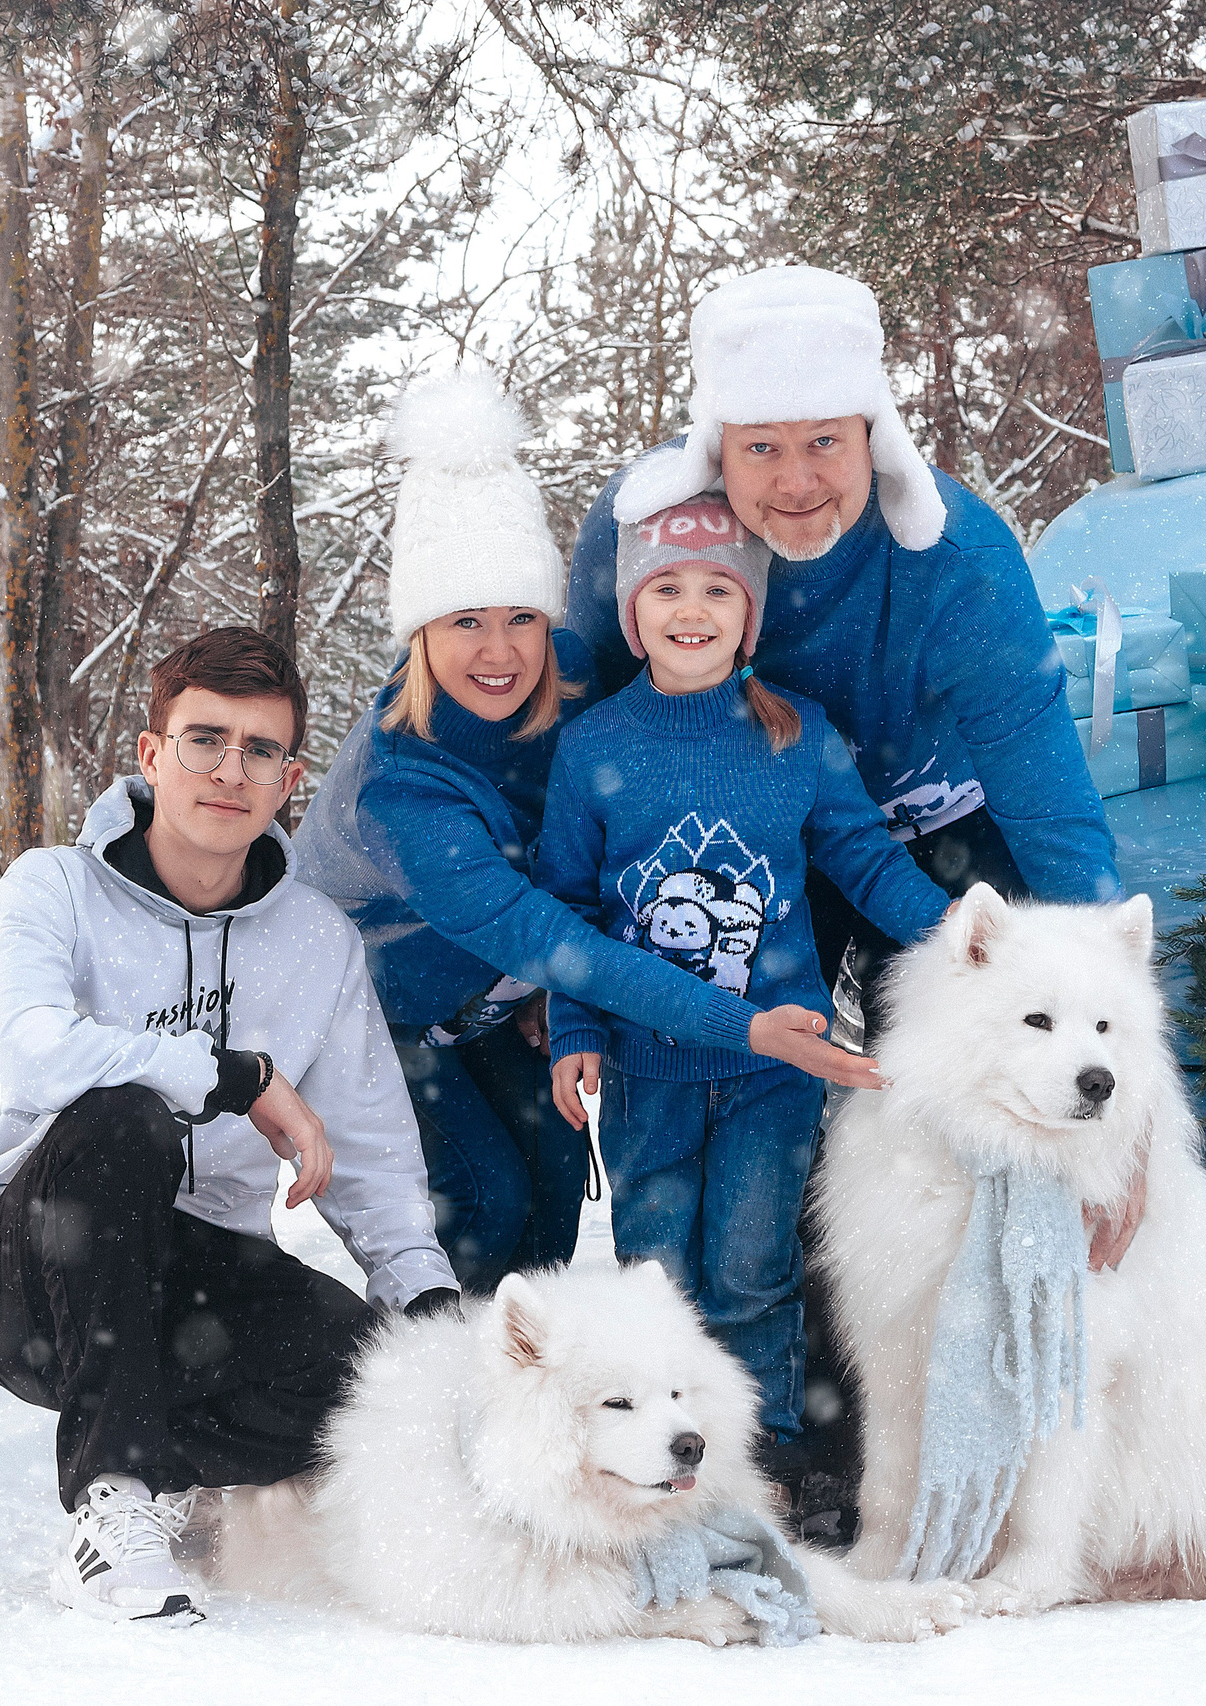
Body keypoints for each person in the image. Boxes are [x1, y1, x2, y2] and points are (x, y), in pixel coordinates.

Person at [565, 265, 1142, 1503]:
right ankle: (744, 1424)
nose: (795, 480)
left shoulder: (956, 556)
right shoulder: (650, 539)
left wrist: (1118, 1064)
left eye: (822, 441)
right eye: (760, 446)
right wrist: (551, 958)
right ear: (716, 445)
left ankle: (950, 1405)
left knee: (945, 1091)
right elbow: (578, 726)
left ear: (870, 432)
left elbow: (1048, 795)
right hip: (741, 829)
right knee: (739, 1103)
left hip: (929, 841)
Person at [294, 372, 883, 1294]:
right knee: (484, 1204)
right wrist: (747, 1027)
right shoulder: (401, 790)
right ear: (420, 634)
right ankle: (435, 1367)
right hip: (374, 1010)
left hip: (493, 992)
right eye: (464, 621)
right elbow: (553, 937)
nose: (500, 652)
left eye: (521, 618)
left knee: (557, 1182)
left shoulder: (569, 678)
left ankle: (535, 1364)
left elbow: (671, 686)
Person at [0, 626, 454, 1627]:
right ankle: (112, 1497)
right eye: (204, 739)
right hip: (24, 1271)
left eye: (260, 750)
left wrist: (427, 1310)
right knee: (126, 1116)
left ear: (289, 778)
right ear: (151, 753)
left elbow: (374, 1154)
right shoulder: (56, 886)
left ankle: (161, 1468)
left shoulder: (316, 939)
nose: (229, 770)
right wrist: (232, 1076)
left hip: (193, 1279)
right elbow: (37, 1051)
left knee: (372, 1384)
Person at [533, 493, 955, 1487]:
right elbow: (569, 909)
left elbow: (866, 861)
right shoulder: (594, 746)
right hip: (645, 1070)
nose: (692, 608)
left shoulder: (797, 734)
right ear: (633, 613)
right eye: (666, 588)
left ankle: (766, 1471)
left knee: (751, 1269)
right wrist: (573, 1029)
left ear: (749, 614)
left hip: (776, 1071)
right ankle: (673, 1477)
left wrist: (967, 934)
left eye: (718, 588)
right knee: (659, 1280)